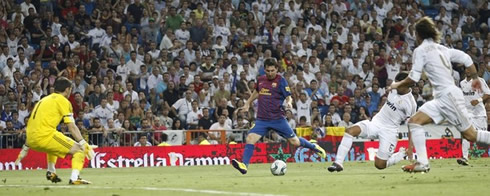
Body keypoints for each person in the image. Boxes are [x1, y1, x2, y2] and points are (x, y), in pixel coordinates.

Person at [390, 17, 490, 173]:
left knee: (470, 135)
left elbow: (413, 78)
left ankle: (422, 162)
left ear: (418, 34)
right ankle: (422, 163)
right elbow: (467, 58)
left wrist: (396, 84)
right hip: (441, 98)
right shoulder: (443, 49)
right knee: (414, 121)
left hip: (449, 97)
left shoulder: (420, 50)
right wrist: (476, 77)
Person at [231, 59, 326, 175]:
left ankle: (313, 146)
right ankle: (244, 165)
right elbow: (256, 92)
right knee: (250, 138)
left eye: (272, 70)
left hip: (278, 119)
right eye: (268, 71)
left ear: (277, 69)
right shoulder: (261, 80)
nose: (270, 73)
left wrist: (289, 103)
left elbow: (288, 96)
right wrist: (247, 103)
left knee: (295, 142)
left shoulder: (281, 80)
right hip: (262, 119)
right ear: (264, 70)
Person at [328, 72, 416, 172]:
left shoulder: (410, 103)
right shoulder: (394, 88)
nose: (395, 85)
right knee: (350, 131)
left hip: (390, 131)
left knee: (380, 165)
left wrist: (410, 147)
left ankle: (401, 154)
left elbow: (412, 126)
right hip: (376, 123)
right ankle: (338, 163)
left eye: (398, 84)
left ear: (406, 85)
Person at [24, 77, 95, 184]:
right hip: (44, 135)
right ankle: (75, 178)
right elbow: (71, 126)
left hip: (30, 138)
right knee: (80, 150)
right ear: (67, 89)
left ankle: (51, 171)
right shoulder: (63, 101)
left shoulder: (43, 99)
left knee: (54, 142)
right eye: (70, 89)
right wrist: (84, 143)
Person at [458, 66, 490, 165]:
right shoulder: (462, 83)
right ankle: (464, 157)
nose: (468, 71)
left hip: (479, 114)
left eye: (469, 69)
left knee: (483, 139)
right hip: (468, 114)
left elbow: (488, 93)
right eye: (466, 69)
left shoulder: (479, 81)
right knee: (465, 134)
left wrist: (478, 100)